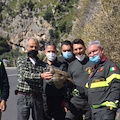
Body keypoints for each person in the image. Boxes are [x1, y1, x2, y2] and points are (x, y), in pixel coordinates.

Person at [16, 38, 53, 120]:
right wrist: (40, 76)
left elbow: (48, 75)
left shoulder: (41, 63)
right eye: (31, 47)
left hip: (37, 97)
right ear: (26, 48)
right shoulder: (21, 60)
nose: (33, 49)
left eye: (35, 47)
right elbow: (25, 74)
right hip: (24, 97)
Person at [86, 40, 120, 120]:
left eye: (94, 51)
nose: (92, 55)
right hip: (94, 110)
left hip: (105, 111)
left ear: (102, 50)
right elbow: (88, 89)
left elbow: (116, 86)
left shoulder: (110, 67)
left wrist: (111, 106)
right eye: (90, 53)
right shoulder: (93, 70)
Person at [65, 39, 93, 120]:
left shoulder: (92, 63)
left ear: (85, 48)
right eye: (76, 49)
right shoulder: (71, 65)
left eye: (80, 48)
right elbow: (68, 84)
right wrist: (66, 100)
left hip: (90, 101)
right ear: (73, 51)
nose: (78, 51)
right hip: (76, 100)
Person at [43, 41, 68, 120]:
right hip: (44, 100)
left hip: (58, 100)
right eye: (49, 51)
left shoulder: (62, 66)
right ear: (45, 52)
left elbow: (66, 84)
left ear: (57, 52)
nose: (51, 53)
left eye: (53, 51)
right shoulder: (41, 65)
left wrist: (66, 100)